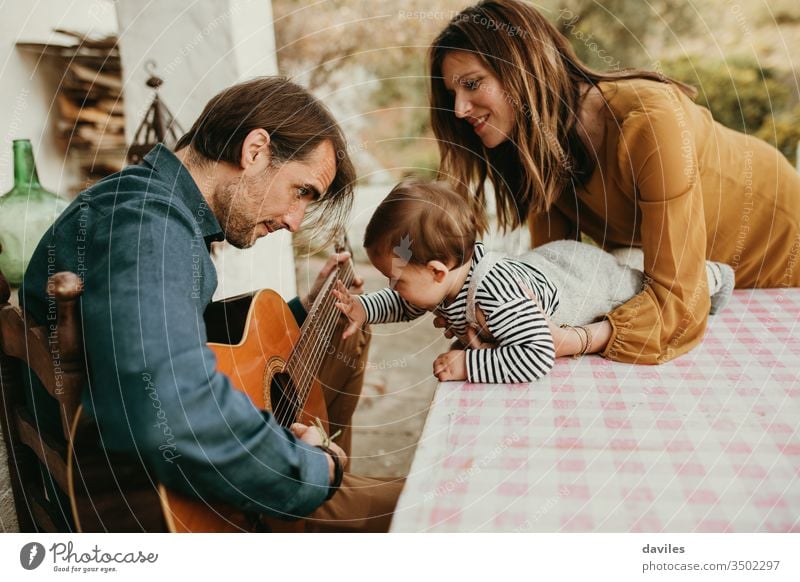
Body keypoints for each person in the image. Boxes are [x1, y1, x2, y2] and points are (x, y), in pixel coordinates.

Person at [22, 76, 402, 532]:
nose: (295, 222)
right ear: (255, 150)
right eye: (301, 191)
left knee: (352, 334)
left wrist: (299, 314)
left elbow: (173, 346)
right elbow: (168, 405)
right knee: (436, 507)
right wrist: (313, 470)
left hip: (141, 482)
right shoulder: (150, 228)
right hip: (160, 504)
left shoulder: (145, 209)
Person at [428, 0, 800, 364]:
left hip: (783, 246)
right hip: (718, 277)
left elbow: (677, 305)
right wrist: (490, 308)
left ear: (524, 67)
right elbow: (555, 278)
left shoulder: (651, 122)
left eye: (472, 84)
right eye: (452, 94)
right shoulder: (536, 151)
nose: (459, 109)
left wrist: (577, 339)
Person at [333, 180, 734, 383]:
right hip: (548, 263)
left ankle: (712, 277)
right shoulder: (444, 279)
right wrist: (363, 308)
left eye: (395, 279)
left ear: (438, 270)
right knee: (625, 267)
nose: (393, 287)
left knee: (636, 287)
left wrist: (468, 364)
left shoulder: (495, 297)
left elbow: (537, 354)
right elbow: (407, 301)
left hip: (584, 283)